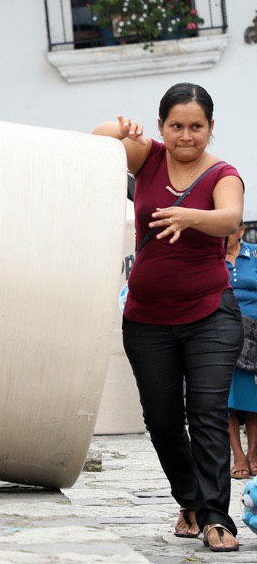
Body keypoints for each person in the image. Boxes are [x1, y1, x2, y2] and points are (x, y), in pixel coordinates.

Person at [93, 83, 244, 552]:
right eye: (176, 125)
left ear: (211, 128)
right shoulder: (148, 158)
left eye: (196, 126)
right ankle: (191, 502)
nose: (186, 135)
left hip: (210, 316)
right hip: (147, 320)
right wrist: (119, 128)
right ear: (161, 126)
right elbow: (94, 145)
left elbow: (231, 218)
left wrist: (190, 217)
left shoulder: (223, 173)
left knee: (207, 414)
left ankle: (217, 517)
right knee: (161, 421)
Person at [225, 222, 257, 479]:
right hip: (222, 331)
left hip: (254, 333)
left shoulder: (254, 254)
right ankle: (237, 455)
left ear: (241, 231)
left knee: (252, 395)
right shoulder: (211, 258)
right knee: (227, 397)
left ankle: (254, 454)